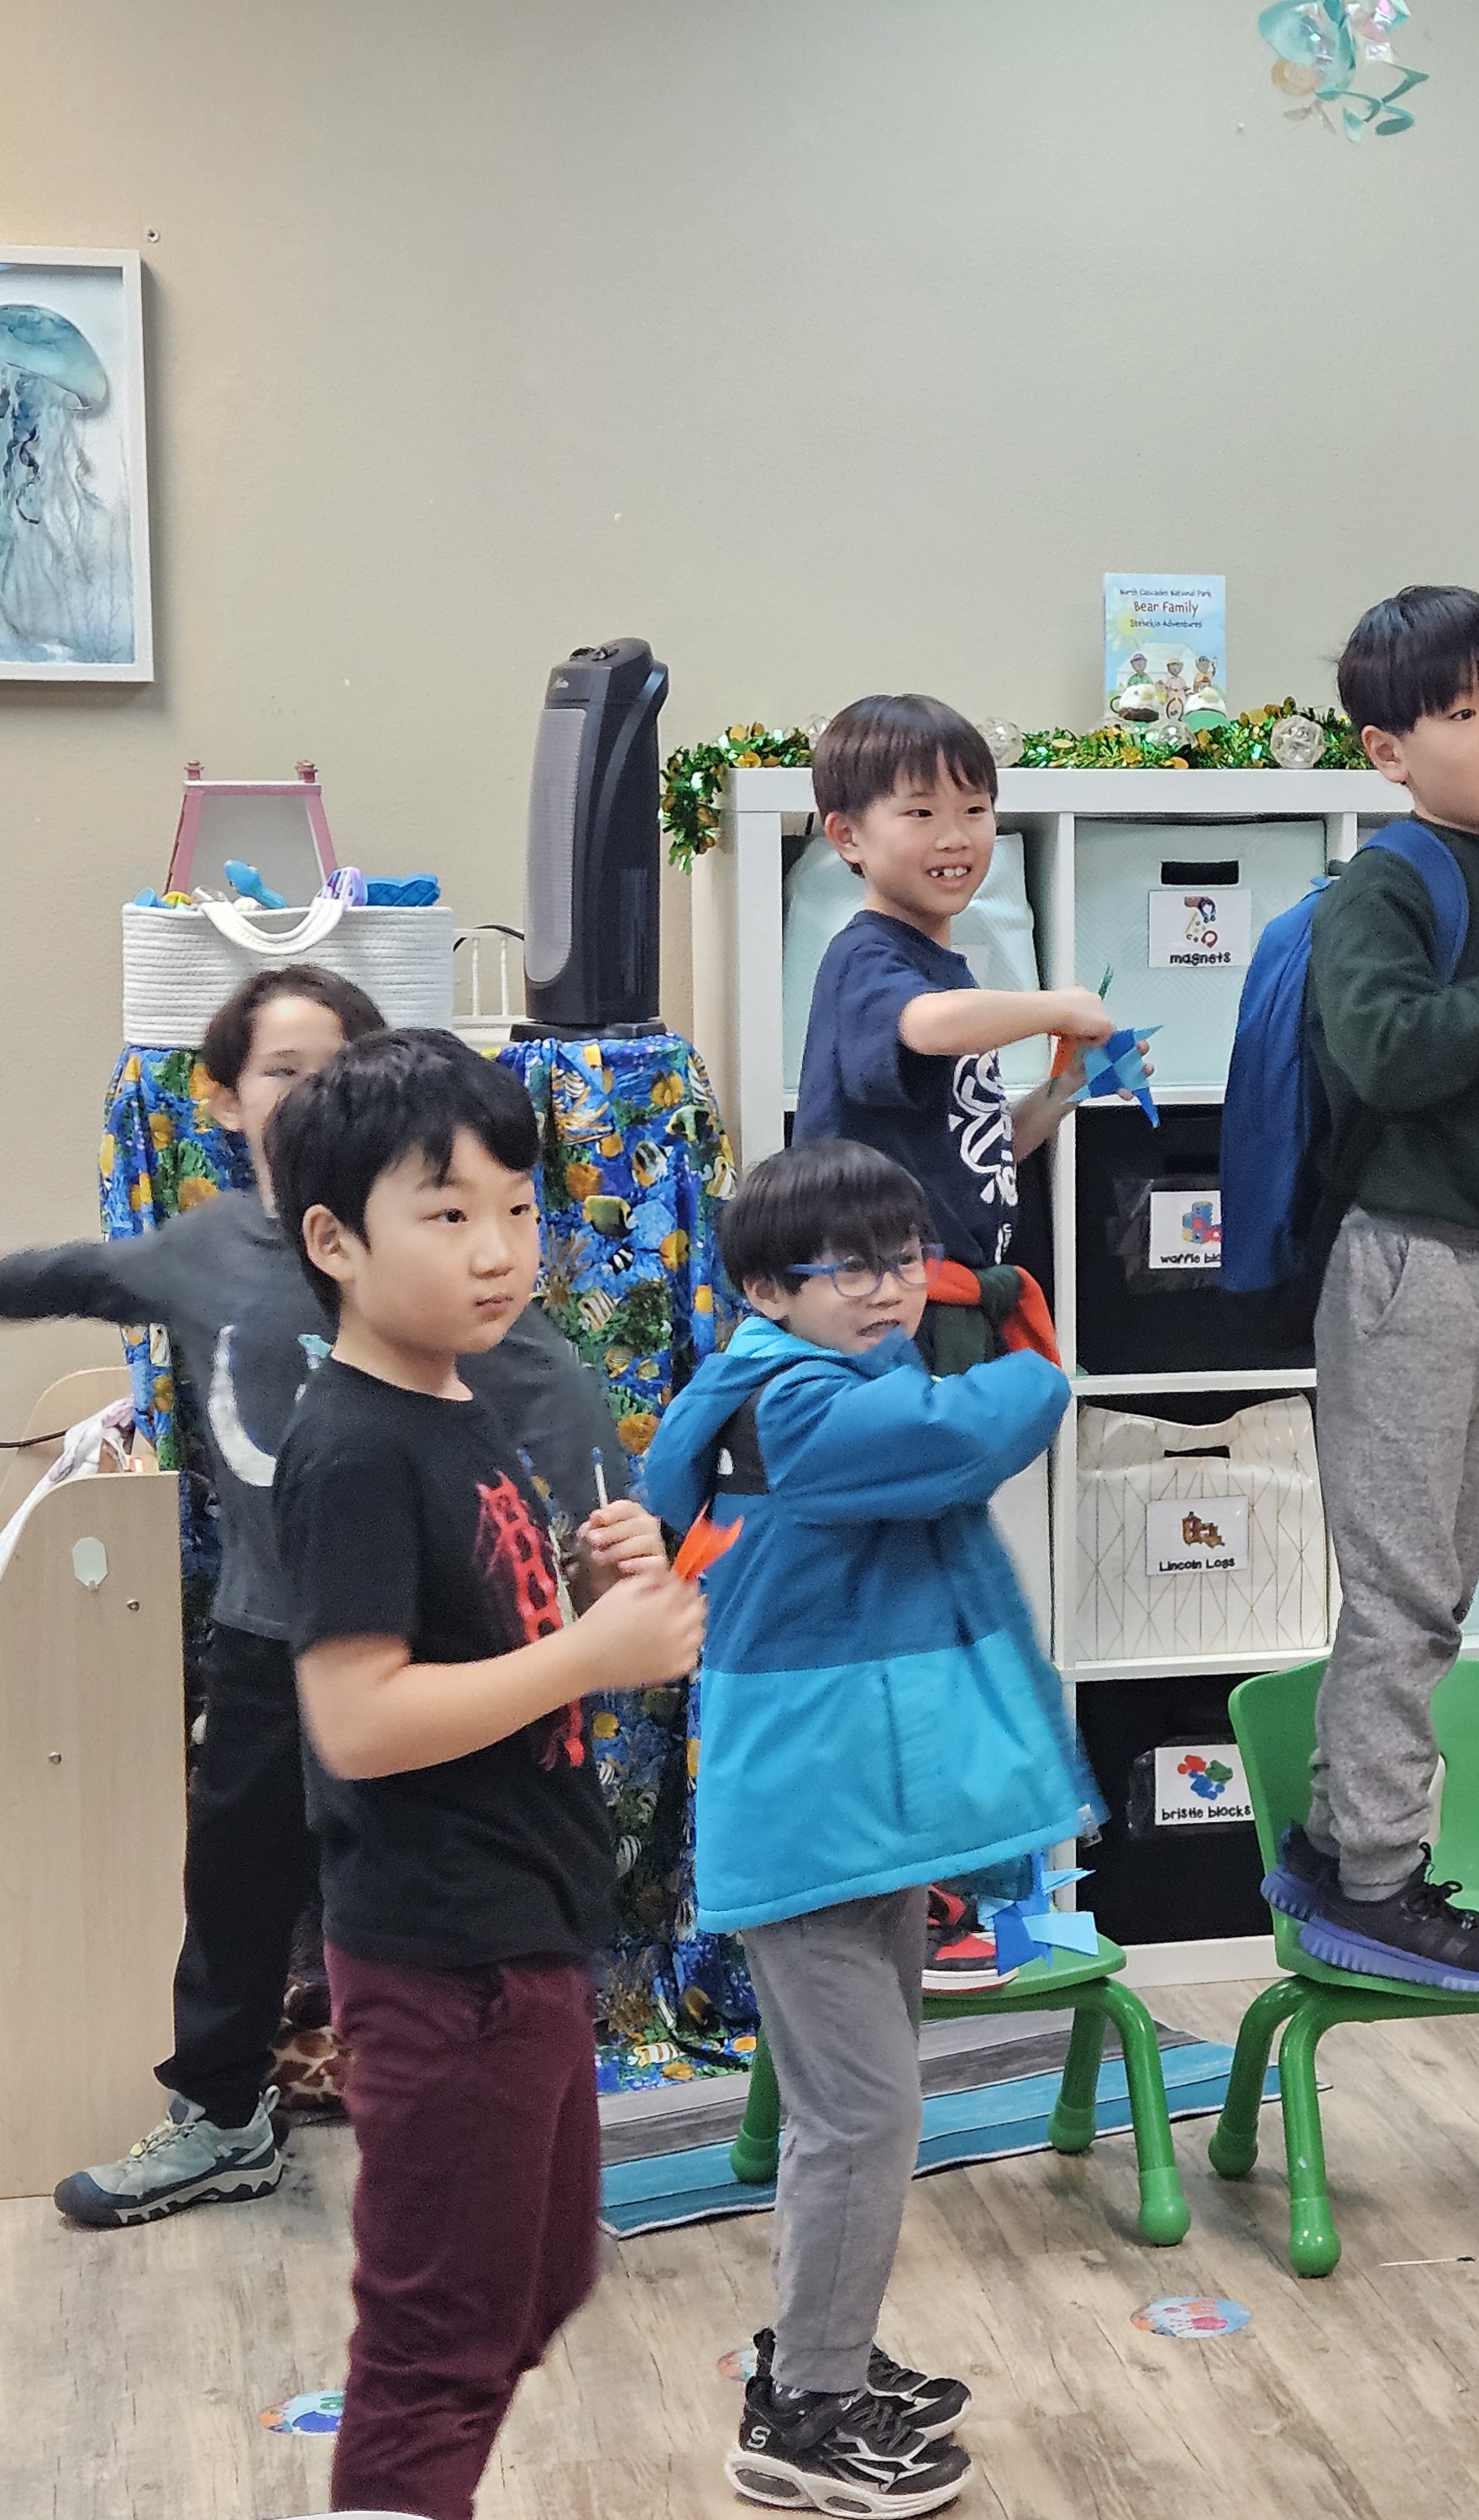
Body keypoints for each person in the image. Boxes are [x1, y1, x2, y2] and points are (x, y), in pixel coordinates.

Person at [0, 966, 628, 2229]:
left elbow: (547, 1387)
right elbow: (92, 1273)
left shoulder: (426, 1265)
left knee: (442, 1890)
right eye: (284, 1072)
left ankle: (485, 2112)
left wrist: (613, 1523)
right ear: (225, 1100)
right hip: (265, 1637)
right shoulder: (209, 1250)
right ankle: (222, 2118)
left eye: (337, 1066)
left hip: (424, 1651)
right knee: (237, 1889)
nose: (313, 1093)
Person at [270, 1030, 705, 2520]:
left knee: (539, 2277)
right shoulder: (351, 1450)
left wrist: (589, 1587)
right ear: (335, 1241)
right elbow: (359, 1720)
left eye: (518, 1209)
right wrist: (591, 1655)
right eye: (447, 1213)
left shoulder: (460, 1409)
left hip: (522, 1935)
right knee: (438, 2347)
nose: (499, 1249)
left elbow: (484, 1640)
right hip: (441, 1956)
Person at [648, 1139, 1093, 2520]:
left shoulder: (825, 1380)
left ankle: (815, 2356)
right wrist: (1039, 1363)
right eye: (849, 1268)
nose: (891, 1288)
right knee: (864, 2115)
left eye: (904, 1259)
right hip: (812, 1817)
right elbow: (963, 1437)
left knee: (849, 2108)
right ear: (767, 1290)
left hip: (856, 1812)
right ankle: (806, 2415)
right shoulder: (795, 1404)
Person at [1254, 585, 1479, 1990]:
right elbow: (1389, 1052)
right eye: (1462, 712)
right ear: (1387, 752)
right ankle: (1375, 1885)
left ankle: (1335, 1845)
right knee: (1406, 1592)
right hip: (1403, 1258)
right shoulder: (1388, 885)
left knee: (1443, 1582)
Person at [795, 694, 1114, 1271]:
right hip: (882, 1293)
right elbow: (930, 1025)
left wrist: (1065, 1087)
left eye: (974, 809)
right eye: (921, 813)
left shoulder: (945, 970)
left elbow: (982, 1150)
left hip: (958, 1284)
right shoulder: (863, 958)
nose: (955, 837)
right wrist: (1057, 1007)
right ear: (847, 836)